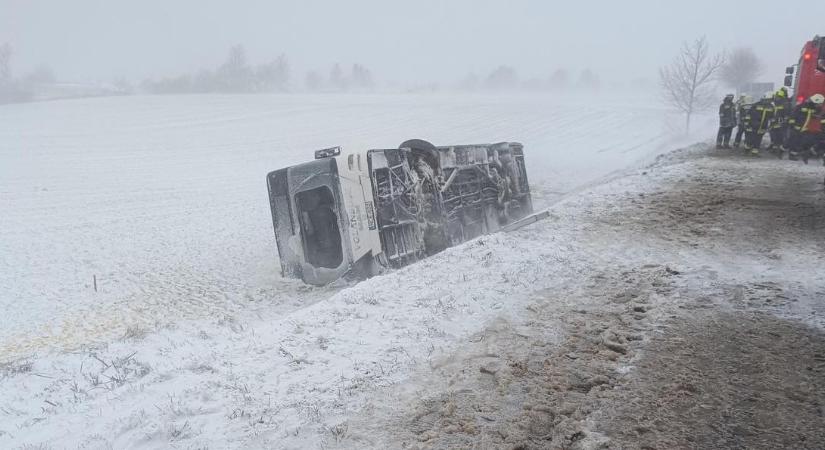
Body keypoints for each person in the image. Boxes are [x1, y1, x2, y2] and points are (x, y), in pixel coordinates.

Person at [786, 93, 825, 163]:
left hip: (804, 128)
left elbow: (816, 115)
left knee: (801, 142)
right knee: (793, 142)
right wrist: (792, 124)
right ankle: (790, 154)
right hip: (796, 127)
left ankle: (799, 153)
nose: (819, 105)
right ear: (814, 102)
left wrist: (819, 109)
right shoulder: (801, 106)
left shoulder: (813, 108)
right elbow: (793, 115)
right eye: (819, 103)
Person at [769, 87, 791, 157]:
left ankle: (779, 150)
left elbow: (786, 113)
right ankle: (774, 148)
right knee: (773, 134)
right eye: (776, 97)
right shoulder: (776, 103)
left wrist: (784, 121)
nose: (776, 98)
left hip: (781, 123)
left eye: (778, 97)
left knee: (780, 136)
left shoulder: (785, 104)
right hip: (774, 122)